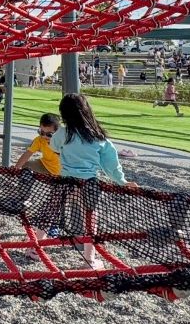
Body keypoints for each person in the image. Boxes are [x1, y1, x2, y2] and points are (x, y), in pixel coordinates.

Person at [48, 93, 130, 269]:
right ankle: (89, 260)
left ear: (64, 113)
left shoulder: (64, 133)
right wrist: (122, 182)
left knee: (50, 213)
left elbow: (53, 146)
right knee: (90, 220)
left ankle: (34, 247)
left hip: (65, 182)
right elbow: (111, 164)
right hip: (88, 184)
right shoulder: (99, 137)